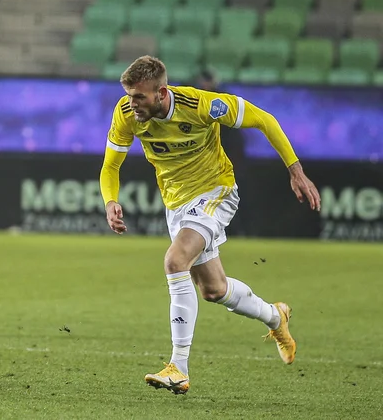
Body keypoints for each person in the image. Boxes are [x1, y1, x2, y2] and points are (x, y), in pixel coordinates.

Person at [99, 56, 320, 395]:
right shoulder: (127, 114)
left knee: (175, 261)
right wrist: (111, 200)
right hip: (177, 204)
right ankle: (276, 317)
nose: (132, 104)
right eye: (128, 95)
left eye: (138, 96)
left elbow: (264, 119)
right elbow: (110, 166)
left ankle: (179, 367)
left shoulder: (202, 105)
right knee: (213, 290)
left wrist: (295, 170)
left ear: (161, 92)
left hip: (215, 191)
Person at [193, 69, 248, 236]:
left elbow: (236, 137)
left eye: (208, 82)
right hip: (201, 162)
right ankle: (201, 231)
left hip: (224, 161)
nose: (205, 85)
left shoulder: (222, 103)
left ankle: (234, 230)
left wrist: (235, 161)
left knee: (226, 197)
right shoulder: (194, 102)